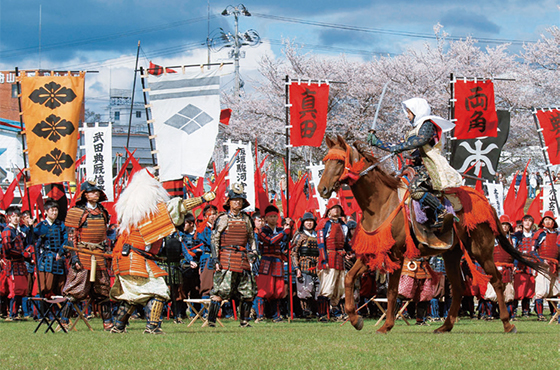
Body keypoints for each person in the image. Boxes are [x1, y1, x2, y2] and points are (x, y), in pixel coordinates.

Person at [110, 169, 215, 334]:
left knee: (134, 295)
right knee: (159, 291)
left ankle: (118, 326)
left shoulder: (133, 212)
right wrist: (202, 199)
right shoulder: (148, 212)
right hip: (135, 258)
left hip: (130, 257)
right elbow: (179, 207)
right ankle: (152, 327)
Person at [368, 97, 462, 229]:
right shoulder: (413, 130)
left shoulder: (428, 124)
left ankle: (442, 211)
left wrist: (398, 148)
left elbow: (420, 141)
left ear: (417, 111)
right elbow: (398, 145)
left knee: (416, 190)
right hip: (415, 167)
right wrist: (377, 143)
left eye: (409, 112)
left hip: (428, 166)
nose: (407, 115)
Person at [61, 180, 112, 330]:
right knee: (75, 288)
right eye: (91, 191)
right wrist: (74, 257)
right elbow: (71, 237)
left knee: (103, 289)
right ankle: (64, 320)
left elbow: (104, 236)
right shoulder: (76, 212)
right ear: (84, 194)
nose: (95, 194)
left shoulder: (103, 212)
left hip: (99, 254)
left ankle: (108, 322)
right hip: (82, 254)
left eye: (97, 191)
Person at [207, 183, 258, 328]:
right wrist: (216, 259)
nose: (237, 202)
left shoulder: (246, 219)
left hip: (242, 258)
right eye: (235, 199)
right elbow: (215, 239)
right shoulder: (222, 218)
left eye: (240, 200)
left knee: (247, 291)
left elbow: (251, 238)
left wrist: (253, 252)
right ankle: (211, 321)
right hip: (226, 258)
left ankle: (244, 321)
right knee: (220, 291)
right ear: (228, 202)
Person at [255, 205, 291, 322]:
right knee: (264, 288)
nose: (273, 219)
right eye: (270, 216)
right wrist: (284, 233)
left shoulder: (281, 230)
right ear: (266, 218)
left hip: (278, 261)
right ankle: (260, 315)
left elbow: (287, 241)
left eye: (275, 216)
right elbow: (270, 241)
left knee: (278, 289)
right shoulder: (262, 230)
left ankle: (276, 315)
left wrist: (290, 227)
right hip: (266, 261)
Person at [317, 198, 350, 320]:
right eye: (333, 208)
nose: (336, 210)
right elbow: (320, 244)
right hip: (329, 257)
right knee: (327, 287)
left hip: (340, 259)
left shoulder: (343, 225)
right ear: (329, 211)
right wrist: (323, 260)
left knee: (340, 288)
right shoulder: (324, 223)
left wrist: (351, 251)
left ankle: (337, 313)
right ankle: (322, 314)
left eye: (338, 208)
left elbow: (345, 243)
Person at [1, 207, 31, 321]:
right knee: (14, 290)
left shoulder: (18, 231)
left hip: (20, 263)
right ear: (9, 218)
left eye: (18, 216)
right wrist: (22, 254)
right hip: (12, 264)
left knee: (21, 289)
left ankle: (16, 313)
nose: (16, 218)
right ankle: (11, 314)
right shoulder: (7, 231)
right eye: (13, 216)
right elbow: (8, 249)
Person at [34, 199, 68, 298]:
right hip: (46, 259)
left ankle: (59, 312)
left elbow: (66, 240)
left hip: (59, 258)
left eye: (56, 210)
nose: (54, 213)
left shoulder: (61, 225)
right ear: (45, 212)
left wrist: (61, 252)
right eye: (52, 210)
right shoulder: (41, 226)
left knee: (60, 286)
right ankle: (40, 312)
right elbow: (35, 243)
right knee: (44, 287)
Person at [291, 212, 319, 318]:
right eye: (307, 221)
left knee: (318, 291)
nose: (309, 223)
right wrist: (297, 268)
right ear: (303, 223)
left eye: (311, 221)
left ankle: (317, 312)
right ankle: (305, 312)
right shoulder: (299, 236)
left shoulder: (318, 235)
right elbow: (293, 252)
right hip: (304, 266)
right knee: (305, 292)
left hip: (317, 267)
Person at [533, 211, 560, 321]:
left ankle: (554, 313)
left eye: (550, 219)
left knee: (555, 290)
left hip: (555, 265)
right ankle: (540, 315)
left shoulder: (558, 234)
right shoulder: (540, 234)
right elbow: (532, 251)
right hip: (542, 265)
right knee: (541, 290)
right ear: (543, 222)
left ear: (553, 221)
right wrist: (540, 260)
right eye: (546, 220)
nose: (548, 222)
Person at [511, 215, 536, 318]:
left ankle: (526, 310)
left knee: (529, 288)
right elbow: (513, 250)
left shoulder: (535, 236)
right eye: (525, 221)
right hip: (519, 265)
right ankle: (514, 310)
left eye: (530, 221)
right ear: (522, 222)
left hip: (531, 264)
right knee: (518, 288)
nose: (527, 223)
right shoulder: (517, 236)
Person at [492, 215, 516, 318]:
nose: (505, 227)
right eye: (502, 225)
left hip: (508, 268)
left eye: (506, 225)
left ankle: (508, 314)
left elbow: (516, 255)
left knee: (509, 293)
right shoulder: (493, 239)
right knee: (492, 293)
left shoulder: (513, 240)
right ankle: (491, 314)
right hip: (495, 268)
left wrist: (515, 266)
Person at [197, 204, 218, 299]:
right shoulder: (202, 229)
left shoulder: (218, 227)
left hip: (218, 258)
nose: (213, 216)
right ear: (205, 217)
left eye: (214, 214)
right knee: (207, 286)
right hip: (207, 259)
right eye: (210, 214)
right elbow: (210, 241)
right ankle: (205, 311)